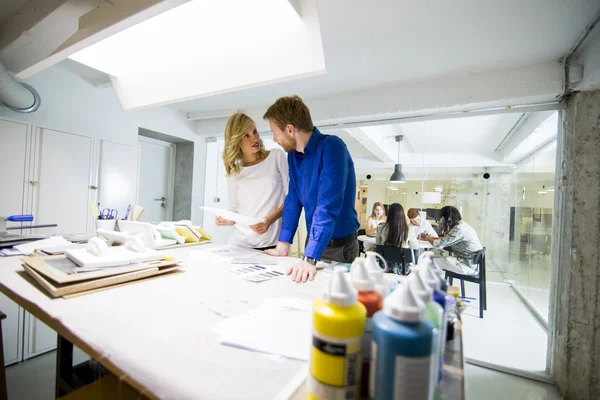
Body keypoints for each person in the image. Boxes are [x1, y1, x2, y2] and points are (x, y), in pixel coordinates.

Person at [263, 95, 360, 283]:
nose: (274, 139)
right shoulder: (293, 156)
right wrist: (284, 243)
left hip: (339, 247)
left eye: (275, 132)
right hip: (313, 243)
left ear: (290, 130)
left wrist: (309, 258)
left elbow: (326, 206)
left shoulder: (333, 147)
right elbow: (293, 199)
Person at [215, 113, 289, 250]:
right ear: (237, 141)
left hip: (270, 243)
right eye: (246, 136)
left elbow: (291, 199)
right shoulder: (234, 172)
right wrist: (226, 219)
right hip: (238, 243)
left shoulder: (276, 157)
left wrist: (269, 220)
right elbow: (234, 210)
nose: (254, 138)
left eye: (254, 131)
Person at [420, 206, 483, 275]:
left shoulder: (459, 229)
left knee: (429, 261)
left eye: (442, 217)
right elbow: (446, 239)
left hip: (466, 265)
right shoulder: (462, 225)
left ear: (447, 218)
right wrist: (430, 238)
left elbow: (439, 245)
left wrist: (426, 237)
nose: (440, 220)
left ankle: (430, 284)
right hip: (470, 263)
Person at [375, 203, 418, 275]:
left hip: (385, 266)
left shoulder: (381, 228)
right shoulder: (408, 229)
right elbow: (415, 246)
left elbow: (378, 244)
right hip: (403, 268)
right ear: (402, 215)